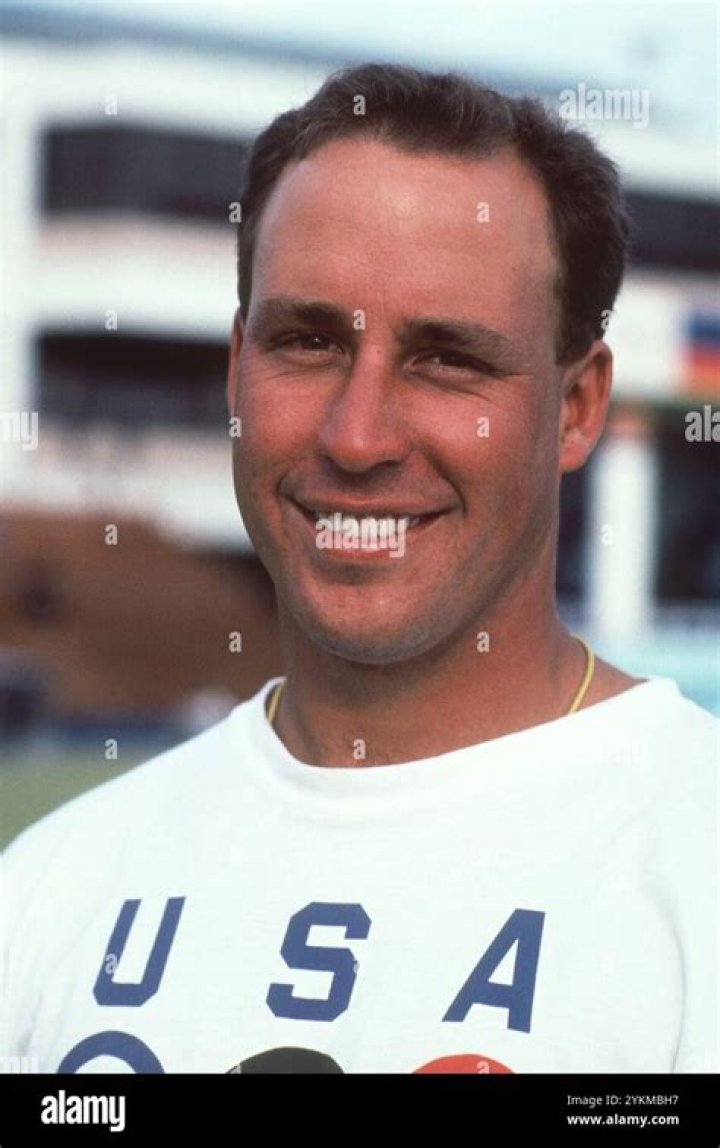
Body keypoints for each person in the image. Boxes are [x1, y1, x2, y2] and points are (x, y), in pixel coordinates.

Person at [2, 64, 717, 1076]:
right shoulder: (48, 886)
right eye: (307, 341)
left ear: (576, 407)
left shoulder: (695, 857)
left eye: (447, 358)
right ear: (237, 369)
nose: (357, 435)